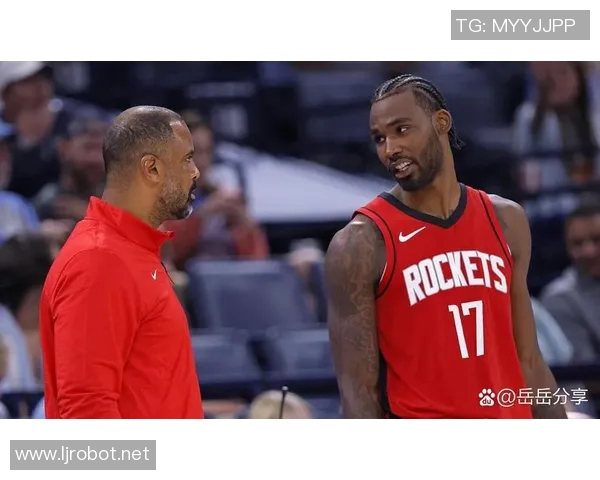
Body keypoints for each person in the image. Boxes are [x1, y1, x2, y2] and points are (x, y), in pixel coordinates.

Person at [325, 74, 567, 419]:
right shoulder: (360, 243)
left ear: (441, 122)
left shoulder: (506, 220)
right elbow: (358, 392)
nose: (390, 149)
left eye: (401, 130)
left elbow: (529, 360)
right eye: (380, 138)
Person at [39, 106, 204, 419]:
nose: (195, 172)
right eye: (186, 159)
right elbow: (88, 413)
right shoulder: (99, 261)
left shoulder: (131, 251)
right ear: (151, 169)